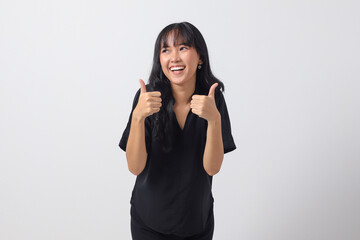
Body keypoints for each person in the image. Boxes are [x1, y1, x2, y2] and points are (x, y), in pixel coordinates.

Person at [119, 21, 236, 240]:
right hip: (148, 223)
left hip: (196, 223)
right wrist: (138, 116)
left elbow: (212, 168)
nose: (174, 57)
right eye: (166, 50)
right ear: (160, 59)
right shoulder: (148, 97)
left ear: (200, 57)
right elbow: (135, 167)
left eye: (183, 48)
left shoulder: (212, 99)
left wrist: (214, 120)